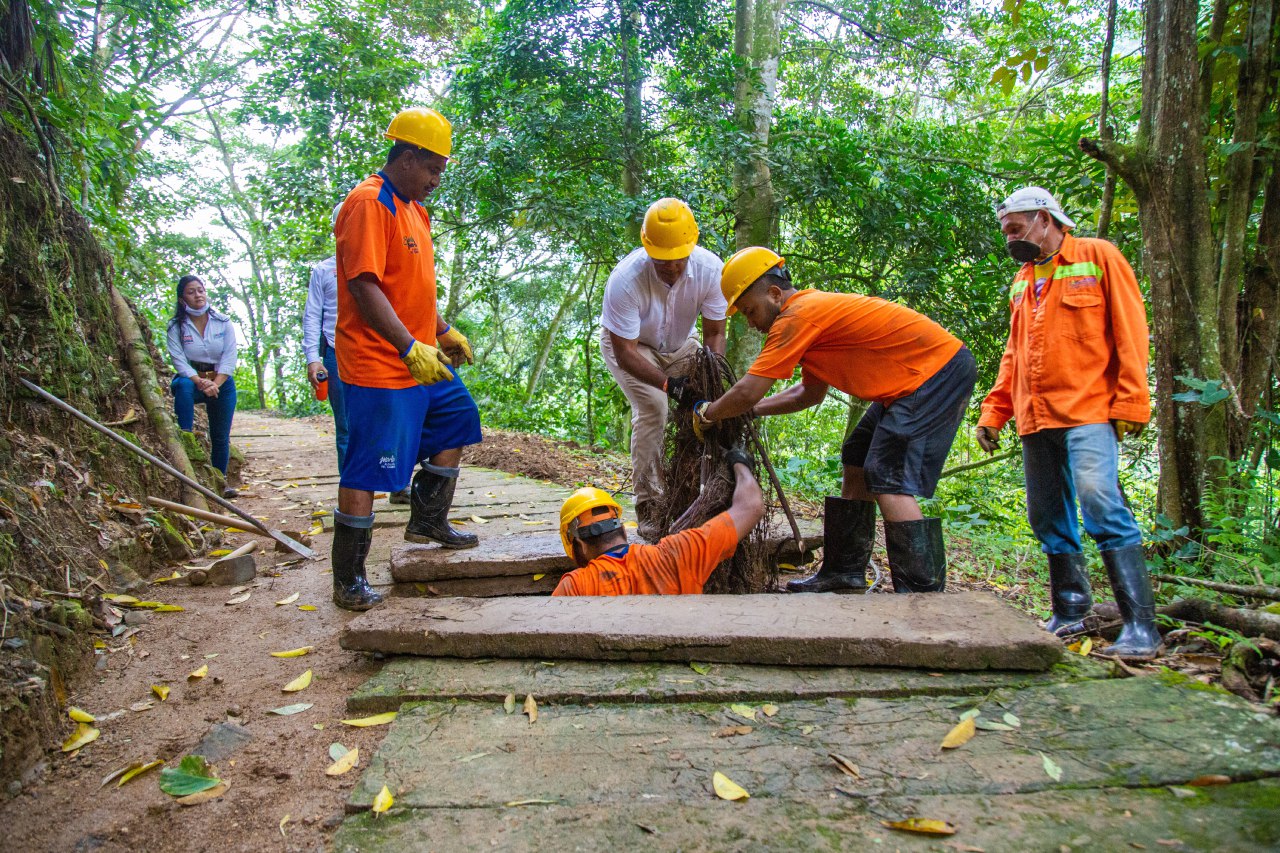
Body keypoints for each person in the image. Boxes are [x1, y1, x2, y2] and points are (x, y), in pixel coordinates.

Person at [693, 248, 976, 595]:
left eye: (750, 311)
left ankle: (922, 594)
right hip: (914, 382)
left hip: (936, 373)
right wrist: (749, 410)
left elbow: (749, 390)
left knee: (886, 474)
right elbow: (808, 394)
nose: (751, 323)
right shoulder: (810, 318)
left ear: (775, 294)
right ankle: (845, 572)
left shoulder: (797, 316)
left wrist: (708, 413)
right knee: (857, 455)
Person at [975, 186, 1158, 660]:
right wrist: (994, 412)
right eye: (1005, 231)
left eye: (1016, 228)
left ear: (1045, 219)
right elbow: (1014, 353)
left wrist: (1132, 401)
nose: (1010, 238)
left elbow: (1131, 329)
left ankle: (1141, 627)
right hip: (1035, 415)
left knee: (1100, 503)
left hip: (1088, 409)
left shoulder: (1097, 257)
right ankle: (1071, 610)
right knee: (1046, 514)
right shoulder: (1023, 280)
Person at [329, 107, 481, 611]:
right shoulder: (369, 203)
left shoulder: (416, 210)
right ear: (408, 157)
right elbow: (365, 287)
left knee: (459, 418)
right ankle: (349, 577)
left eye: (441, 171)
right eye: (433, 169)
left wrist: (441, 330)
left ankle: (428, 519)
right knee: (367, 468)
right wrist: (407, 346)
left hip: (422, 357)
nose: (437, 180)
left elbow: (412, 288)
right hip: (379, 362)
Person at [600, 197, 728, 541]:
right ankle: (650, 504)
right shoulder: (626, 279)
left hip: (680, 344)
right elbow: (625, 353)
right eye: (661, 260)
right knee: (654, 408)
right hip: (631, 347)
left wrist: (713, 376)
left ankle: (702, 489)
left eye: (678, 259)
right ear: (647, 248)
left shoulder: (711, 271)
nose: (670, 267)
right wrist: (670, 385)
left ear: (691, 247)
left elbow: (715, 334)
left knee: (715, 401)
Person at [553, 450, 764, 596]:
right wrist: (739, 461)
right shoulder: (679, 554)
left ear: (579, 546)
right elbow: (751, 507)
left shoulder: (574, 587)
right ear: (623, 530)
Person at [165, 274, 240, 498]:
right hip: (193, 380)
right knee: (183, 386)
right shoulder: (176, 326)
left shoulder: (223, 322)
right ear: (182, 299)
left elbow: (229, 357)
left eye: (200, 290)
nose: (198, 295)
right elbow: (178, 359)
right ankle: (186, 438)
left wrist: (215, 384)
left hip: (221, 381)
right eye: (191, 292)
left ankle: (220, 481)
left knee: (220, 436)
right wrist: (199, 381)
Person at [303, 202, 350, 472]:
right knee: (345, 425)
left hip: (375, 352)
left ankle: (394, 483)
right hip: (336, 352)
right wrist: (313, 358)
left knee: (382, 419)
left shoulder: (382, 263)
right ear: (336, 230)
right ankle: (351, 487)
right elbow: (312, 316)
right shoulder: (323, 271)